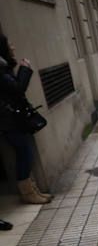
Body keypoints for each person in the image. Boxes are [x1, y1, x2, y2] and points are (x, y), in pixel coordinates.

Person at [0, 34, 52, 204]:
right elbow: (17, 88)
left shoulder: (4, 67)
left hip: (13, 119)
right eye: (10, 44)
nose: (13, 47)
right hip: (9, 121)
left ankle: (32, 190)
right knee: (25, 153)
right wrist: (25, 69)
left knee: (26, 153)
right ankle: (28, 193)